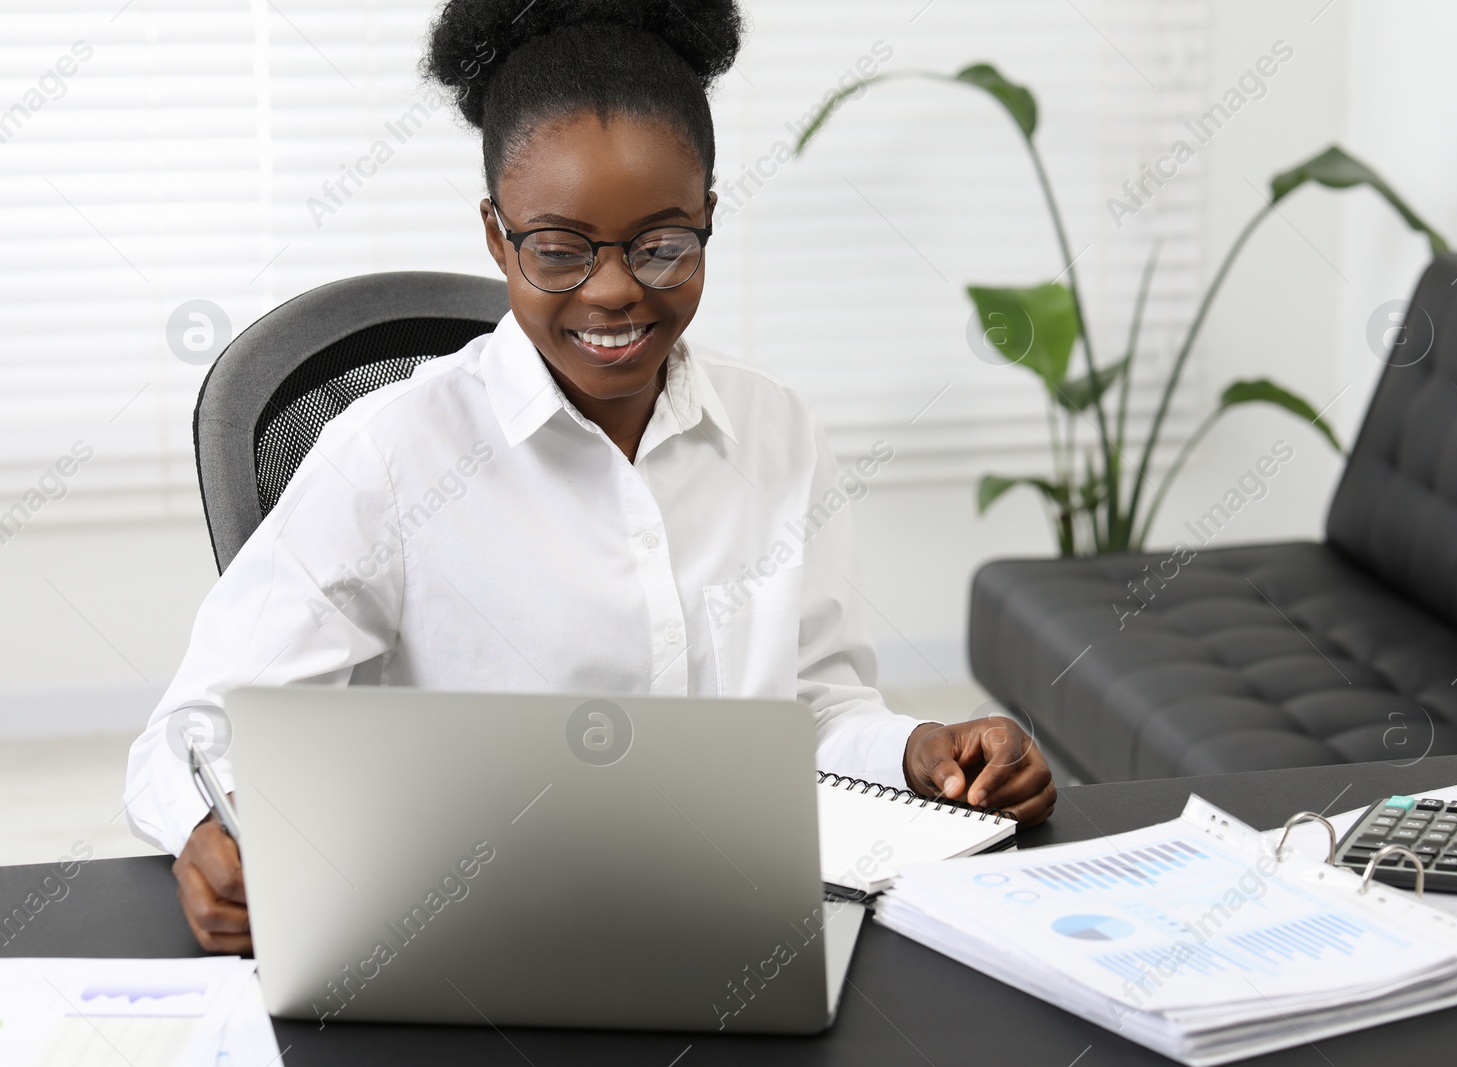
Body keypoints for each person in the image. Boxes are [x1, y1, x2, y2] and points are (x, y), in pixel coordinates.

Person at [124, 0, 1056, 954]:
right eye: (561, 249)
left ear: (708, 222)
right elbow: (195, 730)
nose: (615, 290)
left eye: (661, 245)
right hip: (469, 937)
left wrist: (913, 752)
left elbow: (809, 716)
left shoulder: (776, 432)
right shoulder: (391, 456)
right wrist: (213, 829)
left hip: (728, 928)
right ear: (497, 237)